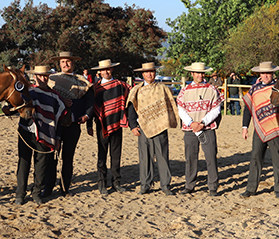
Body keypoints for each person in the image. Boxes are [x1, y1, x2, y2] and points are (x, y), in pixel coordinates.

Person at [4, 65, 67, 206]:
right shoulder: (27, 91)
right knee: (23, 163)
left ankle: (37, 192)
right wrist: (9, 110)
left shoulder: (54, 96)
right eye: (41, 76)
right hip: (26, 131)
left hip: (47, 133)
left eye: (46, 76)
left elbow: (59, 118)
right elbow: (17, 106)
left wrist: (57, 138)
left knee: (41, 165)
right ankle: (20, 194)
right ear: (35, 77)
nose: (43, 78)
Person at [240, 62, 279, 199]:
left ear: (272, 74)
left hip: (275, 128)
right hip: (259, 128)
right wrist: (245, 127)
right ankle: (250, 189)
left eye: (268, 73)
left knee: (277, 159)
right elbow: (248, 108)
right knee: (255, 158)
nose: (265, 75)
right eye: (263, 73)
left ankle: (278, 189)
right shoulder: (254, 89)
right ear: (259, 74)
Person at [126, 62, 178, 196]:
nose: (150, 74)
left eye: (152, 72)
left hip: (160, 127)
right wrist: (133, 126)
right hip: (143, 128)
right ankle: (145, 184)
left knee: (162, 156)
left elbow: (170, 104)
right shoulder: (136, 90)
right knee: (145, 157)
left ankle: (165, 185)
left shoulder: (162, 88)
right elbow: (131, 109)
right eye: (147, 72)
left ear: (155, 73)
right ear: (143, 74)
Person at [47, 51, 95, 197]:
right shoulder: (51, 80)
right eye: (63, 62)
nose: (65, 64)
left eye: (68, 62)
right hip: (55, 124)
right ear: (59, 64)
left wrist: (87, 116)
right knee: (52, 156)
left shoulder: (82, 81)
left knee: (68, 158)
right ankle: (48, 188)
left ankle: (64, 188)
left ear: (73, 63)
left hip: (73, 124)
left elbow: (90, 101)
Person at [177, 62, 224, 196]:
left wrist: (203, 122)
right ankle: (189, 184)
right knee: (190, 157)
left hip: (207, 128)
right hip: (190, 129)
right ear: (192, 74)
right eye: (197, 73)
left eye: (202, 73)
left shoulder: (211, 89)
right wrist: (191, 123)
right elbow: (181, 109)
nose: (200, 75)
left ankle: (213, 186)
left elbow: (216, 109)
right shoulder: (185, 90)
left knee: (210, 156)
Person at [86, 59, 130, 194]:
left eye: (108, 69)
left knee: (116, 155)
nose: (106, 72)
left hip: (117, 123)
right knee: (102, 154)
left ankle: (116, 182)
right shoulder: (95, 88)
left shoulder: (121, 86)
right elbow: (91, 107)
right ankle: (102, 183)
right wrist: (89, 125)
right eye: (104, 70)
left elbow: (129, 102)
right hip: (101, 125)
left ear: (112, 70)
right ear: (100, 71)